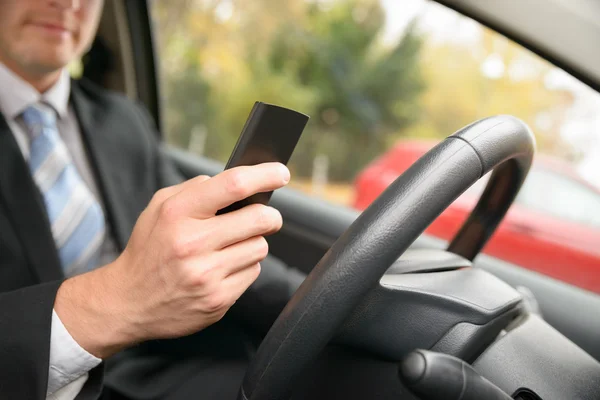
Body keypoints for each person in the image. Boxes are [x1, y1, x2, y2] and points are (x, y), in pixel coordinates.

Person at [0, 0, 304, 399]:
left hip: (174, 369)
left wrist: (322, 295)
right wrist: (117, 300)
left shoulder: (124, 119)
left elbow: (203, 240)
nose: (68, 3)